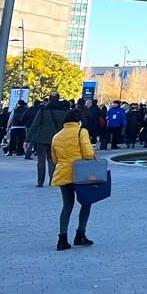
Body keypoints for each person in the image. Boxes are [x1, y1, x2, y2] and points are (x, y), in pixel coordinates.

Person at [51, 109, 95, 250]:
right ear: (79, 120)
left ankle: (62, 239)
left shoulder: (57, 136)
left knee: (67, 206)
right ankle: (80, 235)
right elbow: (88, 154)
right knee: (86, 203)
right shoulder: (81, 132)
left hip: (63, 173)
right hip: (80, 174)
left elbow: (54, 159)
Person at [26, 93, 69, 188]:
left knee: (41, 160)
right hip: (57, 138)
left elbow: (35, 124)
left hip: (42, 138)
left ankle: (40, 181)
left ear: (49, 99)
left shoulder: (43, 110)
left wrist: (27, 139)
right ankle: (52, 179)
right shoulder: (64, 111)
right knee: (52, 159)